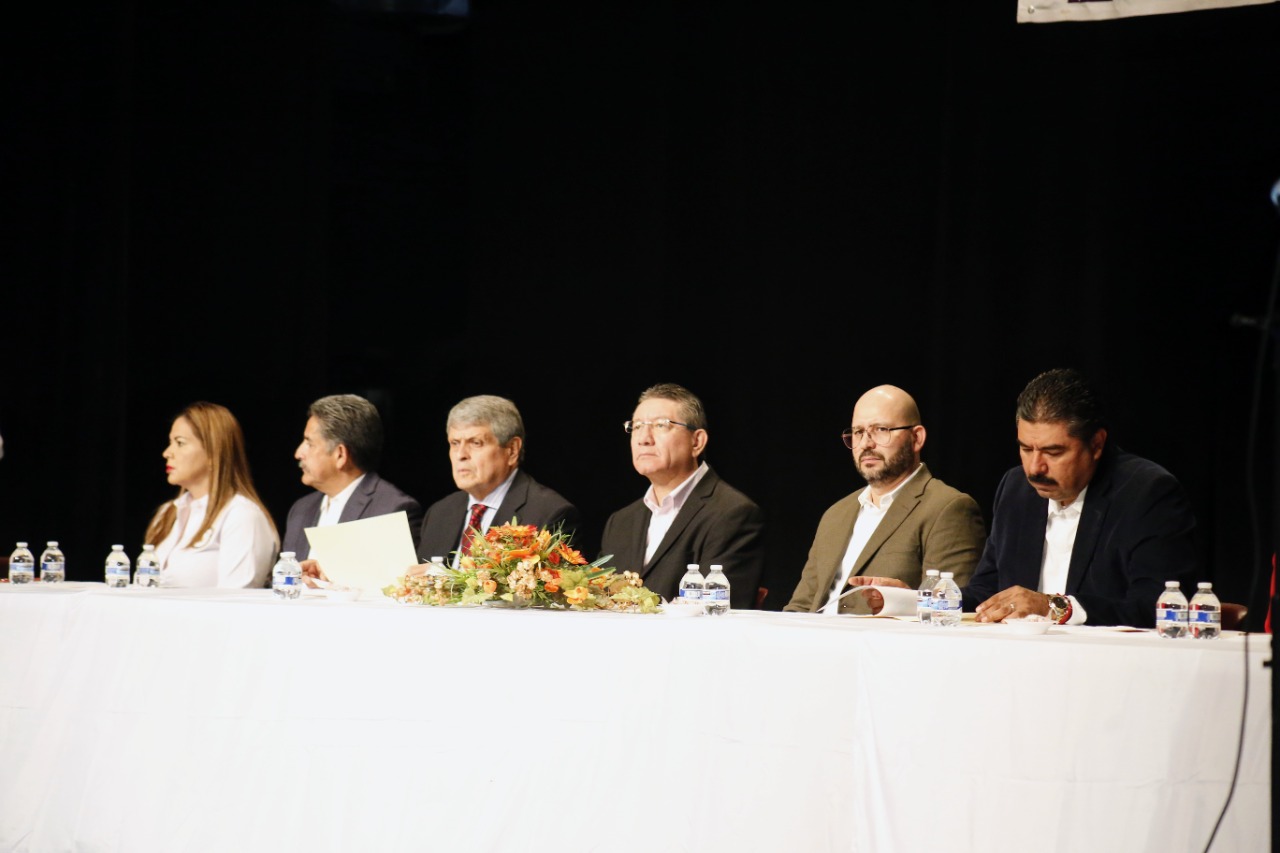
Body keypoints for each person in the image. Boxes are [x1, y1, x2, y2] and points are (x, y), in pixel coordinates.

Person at [859, 368, 1198, 627]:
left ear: (1096, 444)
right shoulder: (1017, 489)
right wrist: (915, 600)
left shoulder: (1146, 493)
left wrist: (1054, 607)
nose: (1035, 467)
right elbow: (986, 594)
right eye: (1025, 448)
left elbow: (1157, 607)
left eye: (1054, 452)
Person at [784, 384, 986, 614]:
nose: (866, 444)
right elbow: (801, 606)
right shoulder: (835, 514)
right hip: (815, 635)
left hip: (882, 637)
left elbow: (948, 613)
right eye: (858, 432)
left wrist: (904, 602)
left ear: (916, 438)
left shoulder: (949, 508)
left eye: (880, 430)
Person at [599, 383, 765, 609]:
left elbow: (717, 613)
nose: (644, 438)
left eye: (660, 425)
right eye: (636, 426)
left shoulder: (733, 514)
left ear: (697, 442)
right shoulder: (620, 522)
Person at [412, 395, 580, 569]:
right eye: (454, 443)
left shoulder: (550, 514)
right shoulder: (439, 513)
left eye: (475, 443)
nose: (460, 455)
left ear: (512, 450)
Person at [283, 394, 423, 578]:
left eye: (309, 443)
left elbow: (395, 586)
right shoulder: (301, 509)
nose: (298, 453)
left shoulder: (391, 509)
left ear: (340, 455)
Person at [144, 401, 279, 588]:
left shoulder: (242, 515)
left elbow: (237, 598)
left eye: (180, 443)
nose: (167, 453)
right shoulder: (167, 513)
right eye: (170, 443)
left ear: (213, 453)